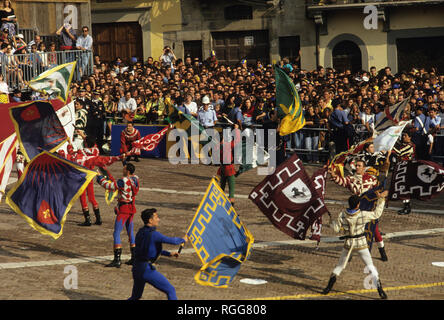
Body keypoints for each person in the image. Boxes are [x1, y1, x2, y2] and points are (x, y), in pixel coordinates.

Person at [321, 193, 388, 299]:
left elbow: (336, 229)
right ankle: (381, 291)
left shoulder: (342, 214)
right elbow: (377, 214)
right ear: (358, 205)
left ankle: (328, 288)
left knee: (339, 267)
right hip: (361, 245)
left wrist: (331, 222)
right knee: (370, 267)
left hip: (348, 245)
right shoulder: (363, 214)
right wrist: (381, 200)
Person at [329, 159, 388, 261]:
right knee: (352, 232)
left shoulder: (372, 179)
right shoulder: (351, 179)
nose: (357, 167)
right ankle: (349, 253)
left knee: (375, 231)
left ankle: (382, 251)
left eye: (359, 166)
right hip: (356, 210)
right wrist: (334, 176)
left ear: (364, 168)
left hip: (369, 209)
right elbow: (342, 181)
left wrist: (381, 195)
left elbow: (381, 189)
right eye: (356, 165)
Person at [128, 208, 186, 300]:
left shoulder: (140, 232)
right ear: (150, 220)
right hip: (146, 270)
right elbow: (173, 241)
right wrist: (183, 239)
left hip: (136, 268)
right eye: (156, 217)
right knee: (170, 290)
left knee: (135, 296)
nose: (158, 219)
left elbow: (148, 250)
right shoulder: (155, 235)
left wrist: (168, 254)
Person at [97, 162, 139, 268]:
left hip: (124, 208)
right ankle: (134, 257)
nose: (122, 170)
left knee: (116, 233)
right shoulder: (135, 179)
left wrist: (99, 177)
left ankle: (117, 259)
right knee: (130, 232)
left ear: (128, 171)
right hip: (131, 207)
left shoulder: (122, 181)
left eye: (124, 168)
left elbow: (109, 186)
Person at [392, 130, 416, 215]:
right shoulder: (404, 145)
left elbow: (399, 152)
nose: (403, 137)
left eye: (405, 136)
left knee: (405, 188)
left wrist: (391, 146)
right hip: (402, 167)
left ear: (410, 137)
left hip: (407, 168)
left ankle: (407, 207)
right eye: (403, 136)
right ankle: (406, 206)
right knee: (402, 187)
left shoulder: (410, 146)